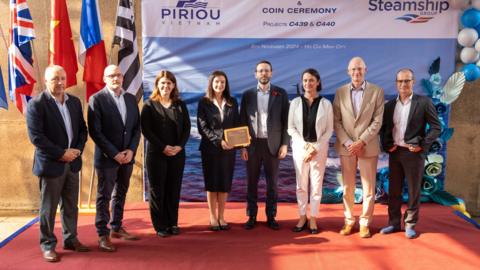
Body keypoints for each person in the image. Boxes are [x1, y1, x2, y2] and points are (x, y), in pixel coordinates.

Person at [26, 65, 89, 262]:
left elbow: (82, 130)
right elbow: (37, 137)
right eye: (55, 79)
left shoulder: (75, 102)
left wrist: (76, 151)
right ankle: (48, 245)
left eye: (63, 78)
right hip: (52, 164)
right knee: (49, 208)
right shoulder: (37, 104)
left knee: (70, 205)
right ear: (46, 81)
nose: (60, 82)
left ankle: (70, 239)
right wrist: (62, 153)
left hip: (73, 163)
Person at [379, 68, 441, 239]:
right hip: (395, 153)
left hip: (414, 153)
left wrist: (422, 144)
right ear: (396, 84)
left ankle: (410, 224)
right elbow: (384, 129)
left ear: (413, 82)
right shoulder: (390, 105)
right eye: (400, 81)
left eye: (407, 81)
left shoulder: (424, 102)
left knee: (414, 191)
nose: (403, 84)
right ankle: (393, 223)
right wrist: (387, 146)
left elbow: (436, 127)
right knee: (394, 190)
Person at [88, 65, 141, 251]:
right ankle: (102, 234)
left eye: (118, 75)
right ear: (104, 78)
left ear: (123, 77)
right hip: (107, 158)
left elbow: (136, 129)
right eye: (111, 75)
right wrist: (114, 153)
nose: (115, 78)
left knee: (121, 192)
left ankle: (116, 227)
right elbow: (96, 132)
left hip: (127, 157)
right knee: (104, 196)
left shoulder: (130, 99)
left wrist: (131, 151)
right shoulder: (96, 99)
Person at [333, 57, 384, 238]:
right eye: (353, 69)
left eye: (360, 69)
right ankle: (348, 221)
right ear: (348, 71)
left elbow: (378, 121)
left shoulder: (377, 92)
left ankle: (364, 223)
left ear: (366, 70)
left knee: (368, 187)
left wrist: (361, 141)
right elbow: (336, 120)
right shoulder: (339, 92)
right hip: (346, 147)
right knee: (348, 187)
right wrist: (348, 142)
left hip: (367, 146)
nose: (356, 72)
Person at [240, 60, 290, 230]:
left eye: (266, 71)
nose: (263, 73)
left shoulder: (281, 93)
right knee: (251, 182)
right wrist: (243, 146)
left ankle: (271, 216)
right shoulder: (247, 95)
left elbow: (286, 122)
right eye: (260, 71)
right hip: (252, 145)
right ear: (255, 74)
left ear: (271, 73)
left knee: (273, 184)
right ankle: (251, 216)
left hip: (273, 146)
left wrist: (284, 144)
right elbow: (242, 122)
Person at [140, 70, 191, 237]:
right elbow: (146, 130)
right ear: (157, 85)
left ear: (173, 85)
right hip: (157, 154)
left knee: (173, 189)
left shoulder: (180, 105)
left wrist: (180, 146)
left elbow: (187, 128)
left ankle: (172, 223)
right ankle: (160, 225)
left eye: (169, 83)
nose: (166, 86)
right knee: (157, 190)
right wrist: (163, 147)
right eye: (162, 83)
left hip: (177, 154)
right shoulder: (149, 105)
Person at [288, 68, 333, 234]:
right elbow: (291, 128)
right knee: (301, 185)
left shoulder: (326, 104)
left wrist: (315, 147)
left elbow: (329, 130)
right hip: (300, 149)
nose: (308, 83)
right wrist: (305, 146)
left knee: (316, 185)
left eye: (311, 80)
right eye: (305, 80)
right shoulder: (295, 103)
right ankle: (302, 216)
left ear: (318, 82)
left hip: (319, 150)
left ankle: (313, 218)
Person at [197, 70, 239, 231]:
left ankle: (222, 216)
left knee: (224, 183)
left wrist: (238, 144)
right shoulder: (204, 102)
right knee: (212, 183)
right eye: (216, 82)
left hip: (229, 149)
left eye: (222, 82)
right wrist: (219, 141)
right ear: (211, 84)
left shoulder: (232, 101)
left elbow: (236, 124)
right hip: (210, 149)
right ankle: (213, 217)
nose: (219, 85)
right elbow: (203, 128)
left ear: (226, 84)